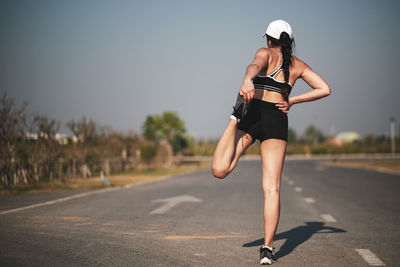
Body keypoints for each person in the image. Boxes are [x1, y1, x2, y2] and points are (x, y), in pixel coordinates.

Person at [211, 19, 330, 265]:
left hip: (252, 114)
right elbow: (324, 89)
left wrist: (247, 80)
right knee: (272, 188)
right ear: (290, 40)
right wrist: (292, 101)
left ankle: (234, 116)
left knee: (220, 169)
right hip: (277, 118)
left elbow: (255, 65)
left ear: (268, 38)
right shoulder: (297, 65)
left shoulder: (264, 52)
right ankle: (267, 249)